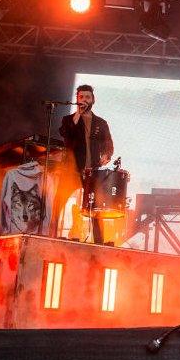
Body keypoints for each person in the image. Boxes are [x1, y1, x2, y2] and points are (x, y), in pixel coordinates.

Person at [57, 84, 114, 245]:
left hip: (92, 171)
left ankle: (99, 241)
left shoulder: (101, 123)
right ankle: (52, 234)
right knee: (59, 202)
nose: (84, 100)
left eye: (87, 97)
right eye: (81, 97)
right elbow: (65, 133)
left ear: (93, 100)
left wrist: (107, 155)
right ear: (77, 100)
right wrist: (77, 114)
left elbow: (109, 143)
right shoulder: (69, 120)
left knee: (95, 206)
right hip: (72, 168)